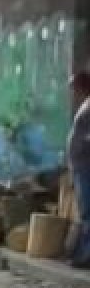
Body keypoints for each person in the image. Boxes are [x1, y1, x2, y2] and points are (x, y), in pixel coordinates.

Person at [67, 70, 90, 267]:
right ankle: (82, 254)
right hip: (80, 166)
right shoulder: (85, 104)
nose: (72, 91)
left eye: (74, 86)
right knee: (85, 211)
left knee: (86, 211)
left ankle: (85, 256)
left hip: (85, 166)